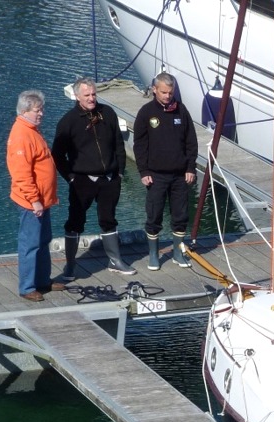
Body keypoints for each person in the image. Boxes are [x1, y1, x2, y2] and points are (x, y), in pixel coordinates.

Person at [52, 77, 135, 277]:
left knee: (108, 219)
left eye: (94, 94)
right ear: (77, 96)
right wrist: (70, 177)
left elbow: (118, 145)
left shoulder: (108, 113)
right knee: (75, 222)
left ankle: (115, 260)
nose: (91, 98)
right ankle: (70, 265)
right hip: (82, 181)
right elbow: (57, 154)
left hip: (109, 179)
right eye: (87, 95)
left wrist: (120, 172)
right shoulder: (68, 121)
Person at [132, 73, 198, 271]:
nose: (168, 96)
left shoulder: (181, 110)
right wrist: (143, 171)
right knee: (154, 215)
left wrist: (190, 167)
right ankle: (154, 254)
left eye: (170, 92)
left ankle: (178, 252)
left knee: (181, 215)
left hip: (179, 174)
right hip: (156, 175)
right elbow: (139, 144)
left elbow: (191, 141)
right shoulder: (146, 112)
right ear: (154, 90)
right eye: (164, 92)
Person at [6, 89, 64, 302]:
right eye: (38, 110)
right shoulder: (21, 135)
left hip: (43, 200)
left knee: (43, 240)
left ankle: (42, 280)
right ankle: (27, 287)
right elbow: (21, 174)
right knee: (30, 243)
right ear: (24, 111)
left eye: (41, 109)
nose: (42, 114)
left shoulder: (32, 129)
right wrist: (34, 200)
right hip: (32, 202)